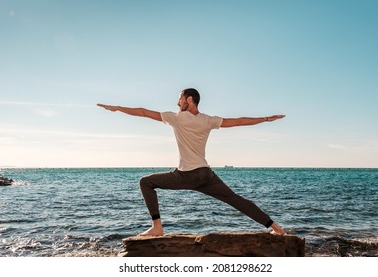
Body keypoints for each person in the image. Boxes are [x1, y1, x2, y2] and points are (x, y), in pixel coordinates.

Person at [97, 88, 286, 236]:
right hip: (205, 174)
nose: (177, 102)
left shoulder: (176, 118)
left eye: (180, 98)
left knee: (146, 182)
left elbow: (144, 112)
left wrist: (118, 108)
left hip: (187, 175)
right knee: (236, 200)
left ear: (189, 100)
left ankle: (157, 227)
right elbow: (238, 121)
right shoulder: (208, 120)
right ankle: (277, 228)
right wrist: (266, 119)